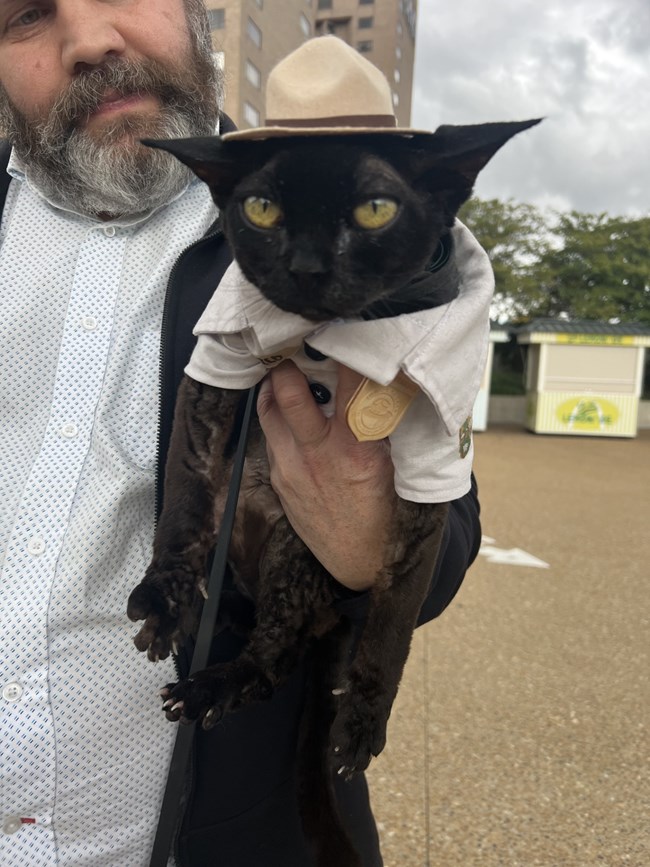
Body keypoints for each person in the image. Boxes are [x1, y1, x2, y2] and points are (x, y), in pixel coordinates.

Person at [0, 2, 482, 865]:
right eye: (25, 16)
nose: (89, 41)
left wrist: (368, 539)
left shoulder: (350, 219)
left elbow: (444, 541)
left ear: (196, 14)